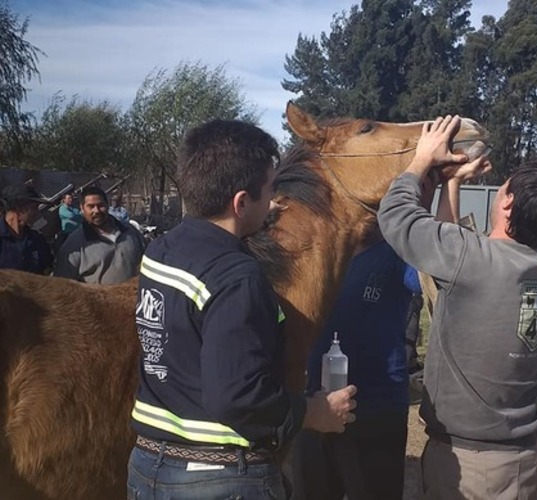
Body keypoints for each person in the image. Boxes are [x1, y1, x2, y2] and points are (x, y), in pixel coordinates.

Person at [126, 119, 356, 500]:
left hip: (149, 465)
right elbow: (236, 397)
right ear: (240, 202)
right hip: (218, 477)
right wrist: (313, 413)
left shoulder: (160, 251)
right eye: (269, 190)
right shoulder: (237, 277)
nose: (273, 203)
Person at [377, 115, 537, 500]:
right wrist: (451, 182)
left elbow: (396, 216)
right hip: (513, 458)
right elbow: (452, 253)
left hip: (474, 469)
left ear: (507, 202)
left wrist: (421, 161)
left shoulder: (478, 260)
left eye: (502, 186)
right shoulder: (534, 265)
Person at [294, 225, 416, 500]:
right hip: (316, 405)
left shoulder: (397, 253)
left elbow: (433, 274)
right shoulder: (318, 252)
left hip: (376, 409)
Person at [53, 186, 145, 284]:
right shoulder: (74, 245)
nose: (96, 211)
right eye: (91, 206)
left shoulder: (131, 232)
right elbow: (63, 285)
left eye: (100, 205)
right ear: (82, 208)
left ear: (108, 205)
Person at [0, 184, 53, 274]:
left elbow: (47, 270)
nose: (37, 212)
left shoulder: (38, 240)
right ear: (19, 208)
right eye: (34, 207)